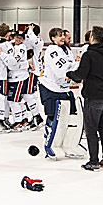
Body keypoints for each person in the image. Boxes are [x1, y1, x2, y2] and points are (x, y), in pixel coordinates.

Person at [66, 25, 103, 171]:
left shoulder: (89, 55)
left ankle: (93, 160)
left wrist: (69, 74)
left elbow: (81, 74)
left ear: (92, 38)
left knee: (91, 129)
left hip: (95, 96)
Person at [38, 27, 80, 160]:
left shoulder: (66, 50)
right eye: (59, 36)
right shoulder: (52, 50)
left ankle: (66, 145)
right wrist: (72, 72)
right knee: (53, 117)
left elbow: (72, 66)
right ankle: (49, 144)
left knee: (68, 118)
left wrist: (76, 67)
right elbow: (60, 70)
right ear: (53, 38)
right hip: (50, 88)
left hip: (64, 89)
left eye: (63, 35)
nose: (62, 37)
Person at [0, 30, 32, 131]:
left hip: (19, 77)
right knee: (18, 100)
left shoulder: (21, 48)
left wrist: (1, 54)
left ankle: (18, 122)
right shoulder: (11, 45)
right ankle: (23, 119)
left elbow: (13, 62)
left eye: (20, 38)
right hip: (14, 77)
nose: (18, 39)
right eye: (16, 37)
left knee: (13, 101)